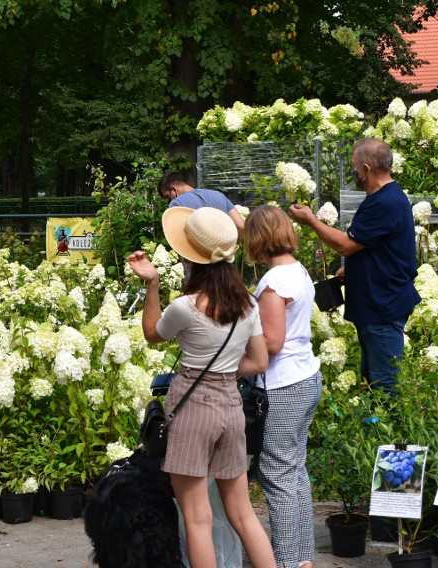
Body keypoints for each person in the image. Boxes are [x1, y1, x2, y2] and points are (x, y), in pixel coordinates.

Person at [127, 206, 276, 568]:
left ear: (190, 256)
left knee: (197, 517)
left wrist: (152, 283)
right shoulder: (248, 305)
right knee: (242, 513)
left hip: (193, 408)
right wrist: (224, 371)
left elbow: (151, 335)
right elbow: (258, 362)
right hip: (230, 407)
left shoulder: (185, 307)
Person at [290, 138, 420, 395]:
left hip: (382, 306)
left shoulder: (384, 202)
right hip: (378, 304)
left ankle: (393, 434)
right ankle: (376, 433)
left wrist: (313, 222)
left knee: (385, 388)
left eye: (354, 167)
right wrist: (355, 267)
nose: (353, 173)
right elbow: (380, 247)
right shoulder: (387, 197)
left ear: (366, 168)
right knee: (372, 381)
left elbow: (347, 245)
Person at [244, 206, 323, 568]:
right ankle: (303, 559)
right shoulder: (298, 270)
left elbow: (272, 342)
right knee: (294, 472)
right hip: (306, 376)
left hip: (283, 384)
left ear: (257, 239)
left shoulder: (274, 282)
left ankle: (290, 562)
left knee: (276, 475)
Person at [158, 172, 245, 237]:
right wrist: (229, 250)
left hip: (197, 258)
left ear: (174, 189)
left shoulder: (176, 204)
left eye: (168, 196)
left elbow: (178, 237)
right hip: (223, 257)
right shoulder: (218, 195)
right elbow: (241, 226)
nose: (169, 200)